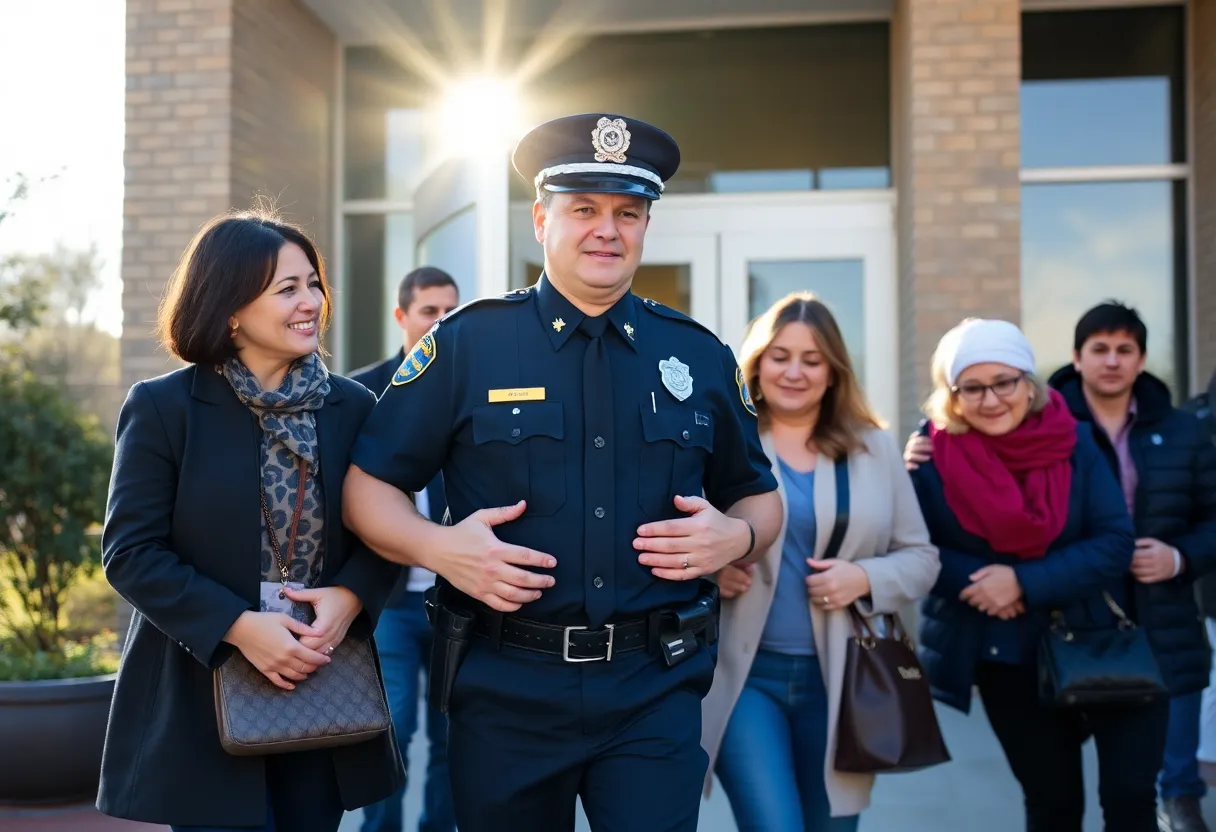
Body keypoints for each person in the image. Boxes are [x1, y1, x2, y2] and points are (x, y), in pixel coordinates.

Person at [342, 112, 784, 832]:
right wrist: (437, 547)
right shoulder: (468, 345)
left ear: (645, 226)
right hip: (507, 687)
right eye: (585, 209)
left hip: (654, 685)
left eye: (627, 213)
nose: (607, 229)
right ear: (542, 220)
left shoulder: (698, 356)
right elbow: (368, 485)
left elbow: (761, 500)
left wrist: (734, 540)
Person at [97, 210, 404, 831]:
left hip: (320, 678)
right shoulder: (163, 408)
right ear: (230, 308)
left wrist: (350, 597)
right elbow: (131, 553)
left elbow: (388, 528)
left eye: (313, 284)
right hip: (203, 688)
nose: (310, 302)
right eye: (286, 288)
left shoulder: (354, 406)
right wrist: (240, 627)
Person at [907, 303, 1216, 832]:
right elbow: (918, 547)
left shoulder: (1073, 441)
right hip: (1009, 655)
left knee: (1129, 800)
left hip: (1109, 639)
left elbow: (1114, 540)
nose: (991, 399)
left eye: (1003, 382)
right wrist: (978, 582)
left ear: (1028, 383)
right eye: (972, 388)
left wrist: (1022, 582)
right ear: (953, 395)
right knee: (1052, 806)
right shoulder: (932, 456)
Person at [700, 293, 940, 831]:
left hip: (848, 683)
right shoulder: (722, 444)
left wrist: (865, 577)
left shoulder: (874, 449)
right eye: (780, 355)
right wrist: (712, 571)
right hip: (745, 681)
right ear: (757, 364)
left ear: (834, 373)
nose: (794, 371)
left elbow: (922, 558)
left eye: (812, 360)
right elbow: (678, 541)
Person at [351, 266, 459, 832]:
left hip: (454, 602)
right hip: (387, 600)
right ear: (402, 316)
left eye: (450, 311)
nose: (441, 322)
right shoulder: (360, 391)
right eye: (429, 311)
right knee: (390, 729)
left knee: (450, 734)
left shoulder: (472, 386)